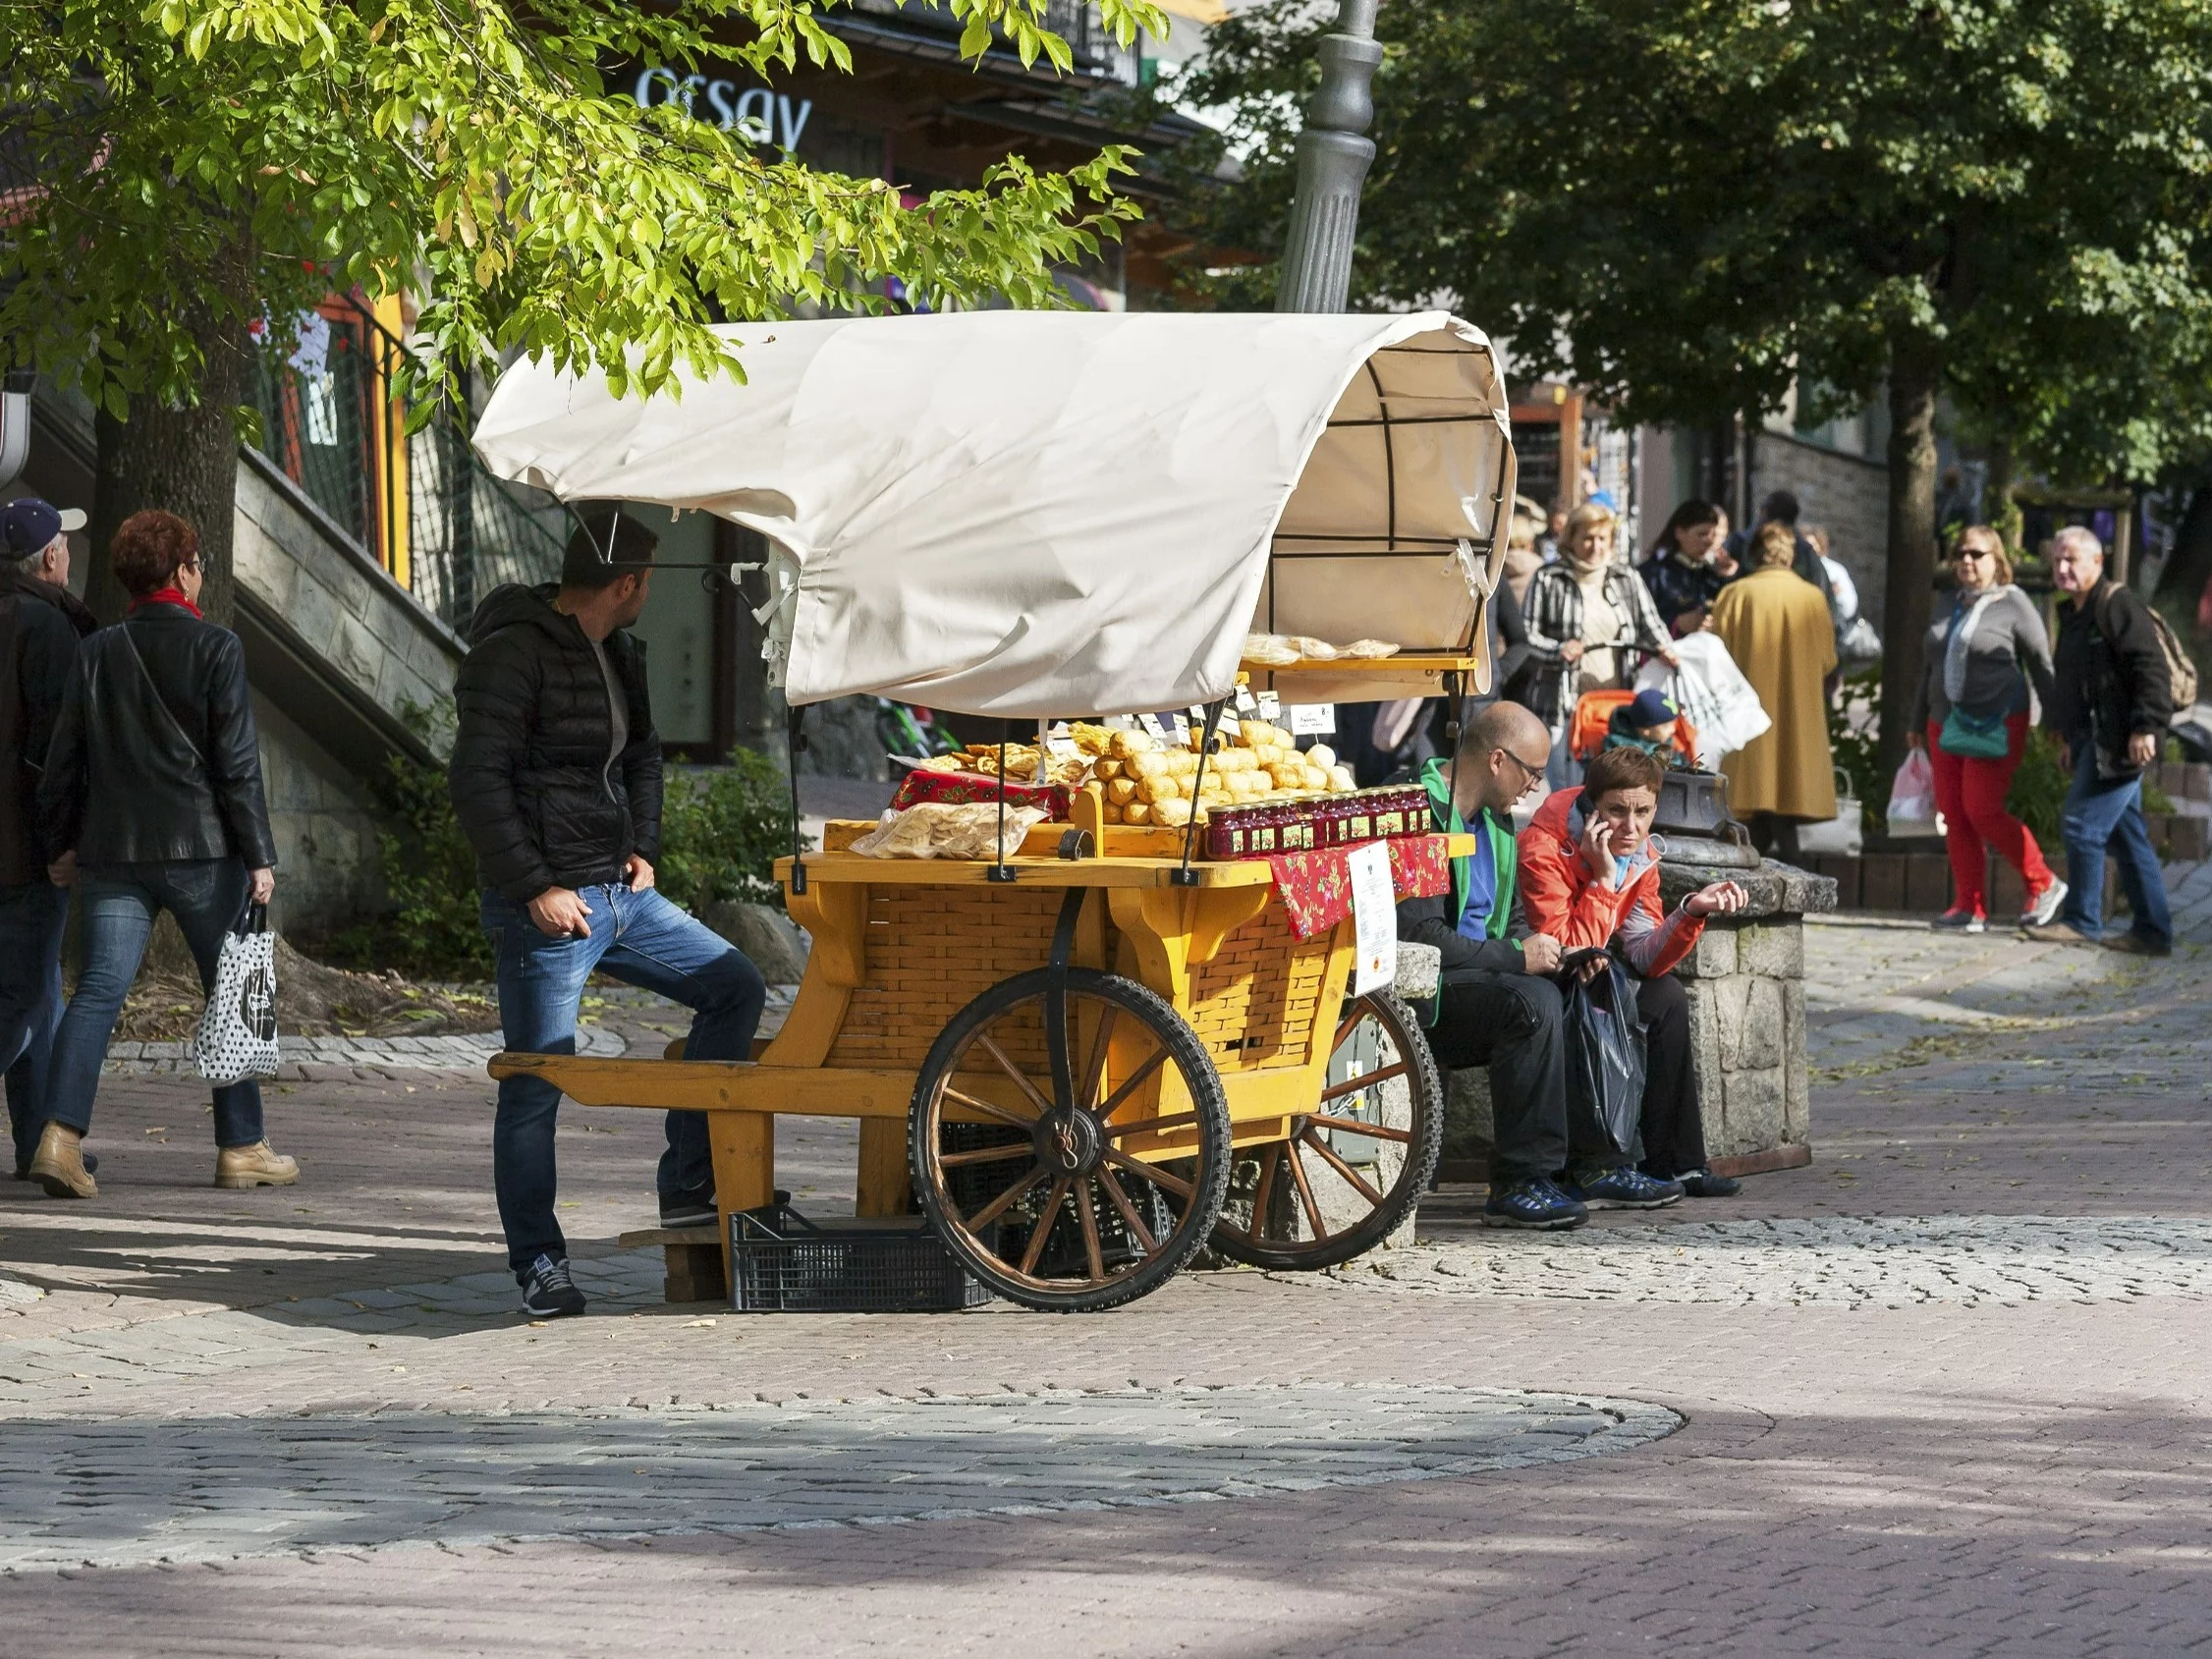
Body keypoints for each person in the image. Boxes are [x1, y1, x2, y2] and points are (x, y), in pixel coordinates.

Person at [450, 509, 769, 1318]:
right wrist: (533, 888)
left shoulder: (619, 650)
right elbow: (477, 780)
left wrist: (644, 847)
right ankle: (540, 1264)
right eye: (647, 582)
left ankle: (689, 1187)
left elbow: (644, 754)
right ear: (625, 583)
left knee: (734, 986)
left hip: (622, 894)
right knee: (537, 1078)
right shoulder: (513, 651)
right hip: (548, 907)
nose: (648, 597)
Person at [31, 510, 293, 1199]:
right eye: (197, 561)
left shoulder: (96, 650)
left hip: (113, 853)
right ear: (180, 572)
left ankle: (59, 1138)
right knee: (231, 993)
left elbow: (65, 763)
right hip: (205, 855)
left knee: (95, 993)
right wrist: (259, 856)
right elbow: (238, 765)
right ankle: (241, 1146)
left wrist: (61, 843)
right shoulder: (218, 648)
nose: (200, 571)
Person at [1396, 702, 1687, 1228]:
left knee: (1585, 981)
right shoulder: (1417, 811)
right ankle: (1521, 1180)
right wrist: (1517, 956)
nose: (1537, 786)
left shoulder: (1497, 823)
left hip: (1480, 974)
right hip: (1427, 991)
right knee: (1533, 1003)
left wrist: (1554, 953)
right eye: (1531, 772)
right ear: (1497, 760)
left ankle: (1600, 1166)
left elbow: (1509, 923)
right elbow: (1420, 936)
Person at [1519, 746, 1749, 1196]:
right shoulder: (1543, 847)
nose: (1632, 827)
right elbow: (1564, 950)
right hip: (1541, 975)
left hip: (1592, 968)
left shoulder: (1640, 851)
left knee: (1666, 997)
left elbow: (1645, 953)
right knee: (1605, 996)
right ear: (1591, 806)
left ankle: (1676, 1164)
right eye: (1617, 811)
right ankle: (1600, 1167)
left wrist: (1690, 911)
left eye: (1643, 812)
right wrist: (1604, 880)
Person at [1, 498, 98, 1183]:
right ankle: (41, 1141)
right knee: (28, 999)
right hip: (26, 849)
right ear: (52, 557)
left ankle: (40, 1141)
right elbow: (55, 755)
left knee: (37, 993)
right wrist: (65, 840)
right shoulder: (50, 629)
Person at [2023, 525, 2175, 955]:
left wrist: (2147, 726)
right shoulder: (2075, 612)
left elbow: (2152, 669)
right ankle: (2152, 931)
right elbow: (2073, 682)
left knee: (2081, 825)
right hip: (2095, 737)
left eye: (2072, 559)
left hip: (2124, 739)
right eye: (2057, 560)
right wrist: (2068, 736)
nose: (2063, 568)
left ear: (2097, 562)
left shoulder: (2116, 604)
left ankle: (2082, 921)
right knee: (2127, 836)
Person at [1908, 526, 2066, 933]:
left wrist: (2057, 722)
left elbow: (2041, 666)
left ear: (1997, 559)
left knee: (1982, 809)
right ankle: (1968, 906)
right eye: (1960, 552)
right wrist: (1916, 721)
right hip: (1943, 721)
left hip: (1996, 720)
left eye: (1977, 554)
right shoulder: (1948, 601)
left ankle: (2043, 881)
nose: (1966, 560)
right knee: (1954, 813)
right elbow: (1931, 665)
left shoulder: (2014, 604)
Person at [1708, 522, 1838, 859]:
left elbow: (1715, 658)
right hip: (1797, 716)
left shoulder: (1735, 595)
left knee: (1751, 796)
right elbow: (1827, 660)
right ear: (1792, 555)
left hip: (1746, 719)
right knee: (1786, 794)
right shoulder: (1812, 598)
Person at [1522, 503, 1677, 784]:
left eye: (1602, 538)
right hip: (1563, 702)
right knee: (1567, 787)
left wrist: (1666, 648)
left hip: (1617, 703)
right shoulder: (1548, 579)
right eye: (1587, 538)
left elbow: (1650, 624)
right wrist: (1559, 649)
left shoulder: (1625, 577)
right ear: (1571, 540)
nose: (1595, 546)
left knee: (1616, 782)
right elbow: (1527, 636)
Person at [1725, 489, 1836, 619]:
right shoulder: (1806, 553)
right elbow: (1826, 601)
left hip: (1748, 618)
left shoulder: (1740, 542)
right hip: (1794, 622)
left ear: (1764, 512)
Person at [1639, 498, 1739, 636]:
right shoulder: (1653, 573)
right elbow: (1637, 623)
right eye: (1702, 534)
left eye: (1714, 535)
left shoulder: (1710, 574)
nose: (1710, 542)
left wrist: (1728, 577)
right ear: (1679, 533)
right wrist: (1675, 623)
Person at [1603, 687, 1693, 769]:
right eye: (1666, 726)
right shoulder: (1618, 752)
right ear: (1646, 731)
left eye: (1673, 723)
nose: (1673, 730)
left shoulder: (1662, 739)